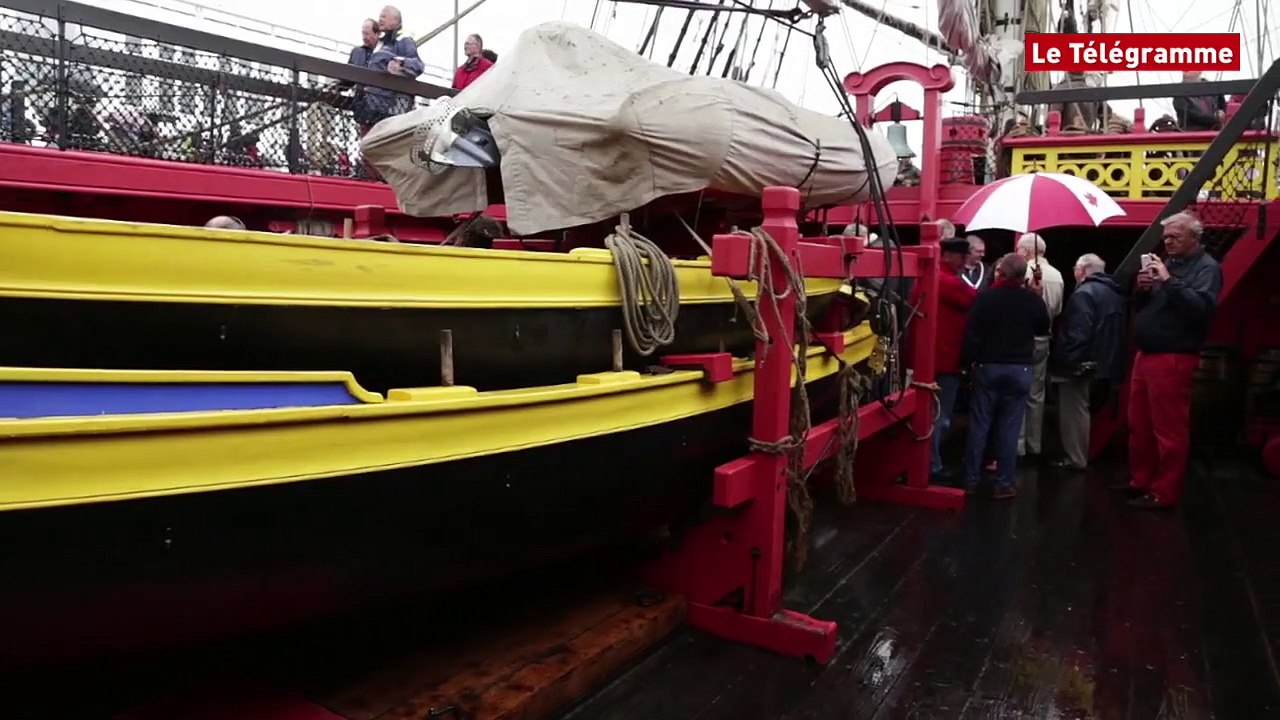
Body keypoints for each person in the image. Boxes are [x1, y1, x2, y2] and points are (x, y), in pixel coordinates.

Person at [1123, 212, 1222, 510]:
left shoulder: (1207, 269)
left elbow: (1201, 309)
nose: (1167, 241)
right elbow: (1147, 307)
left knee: (1168, 429)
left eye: (1174, 237)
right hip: (1147, 354)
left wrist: (1167, 281)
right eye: (1166, 237)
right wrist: (1143, 290)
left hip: (1174, 356)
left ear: (1194, 238)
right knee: (1139, 424)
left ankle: (1164, 492)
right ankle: (1141, 481)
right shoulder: (1171, 264)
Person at [962, 253, 1050, 499]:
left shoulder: (985, 298)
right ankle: (1003, 482)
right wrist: (1037, 295)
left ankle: (970, 480)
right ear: (1024, 276)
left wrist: (970, 362)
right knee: (1010, 429)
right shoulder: (1031, 300)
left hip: (988, 365)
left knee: (980, 425)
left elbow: (972, 332)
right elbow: (1043, 328)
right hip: (1019, 368)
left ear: (1000, 273)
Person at [1050, 253, 1126, 471]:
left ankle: (1075, 457)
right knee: (1087, 409)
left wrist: (1067, 363)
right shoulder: (1113, 293)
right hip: (1105, 361)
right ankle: (1082, 454)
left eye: (1076, 268)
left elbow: (1078, 332)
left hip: (1082, 363)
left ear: (1083, 270)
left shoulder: (1083, 293)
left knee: (1073, 410)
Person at [917, 238, 979, 483]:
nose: (965, 261)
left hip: (924, 357)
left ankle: (922, 463)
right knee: (940, 416)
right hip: (946, 358)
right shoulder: (950, 282)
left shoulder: (925, 278)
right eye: (962, 256)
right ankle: (932, 465)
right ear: (947, 256)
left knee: (925, 413)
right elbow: (976, 300)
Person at [1014, 232, 1064, 458]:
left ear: (1026, 251)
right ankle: (1035, 444)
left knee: (1019, 392)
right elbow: (1058, 309)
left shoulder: (1024, 272)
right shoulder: (1058, 275)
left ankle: (1018, 445)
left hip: (1024, 338)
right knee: (1036, 394)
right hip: (1045, 339)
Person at [363, 6, 425, 125]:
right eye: (380, 16)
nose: (380, 19)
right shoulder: (381, 43)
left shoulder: (403, 40)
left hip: (390, 108)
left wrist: (400, 63)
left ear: (395, 20)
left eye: (384, 16)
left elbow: (418, 65)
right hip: (373, 107)